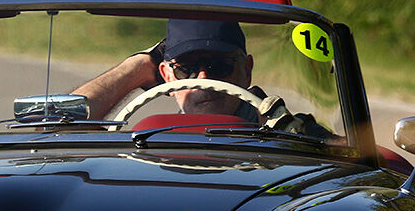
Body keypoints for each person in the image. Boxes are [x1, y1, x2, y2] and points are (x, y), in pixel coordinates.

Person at [73, 19, 330, 136]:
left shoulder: (286, 127)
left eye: (219, 66)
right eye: (187, 68)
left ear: (246, 70)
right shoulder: (151, 139)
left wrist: (296, 141)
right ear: (167, 76)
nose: (204, 79)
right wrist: (136, 67)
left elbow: (361, 158)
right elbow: (51, 128)